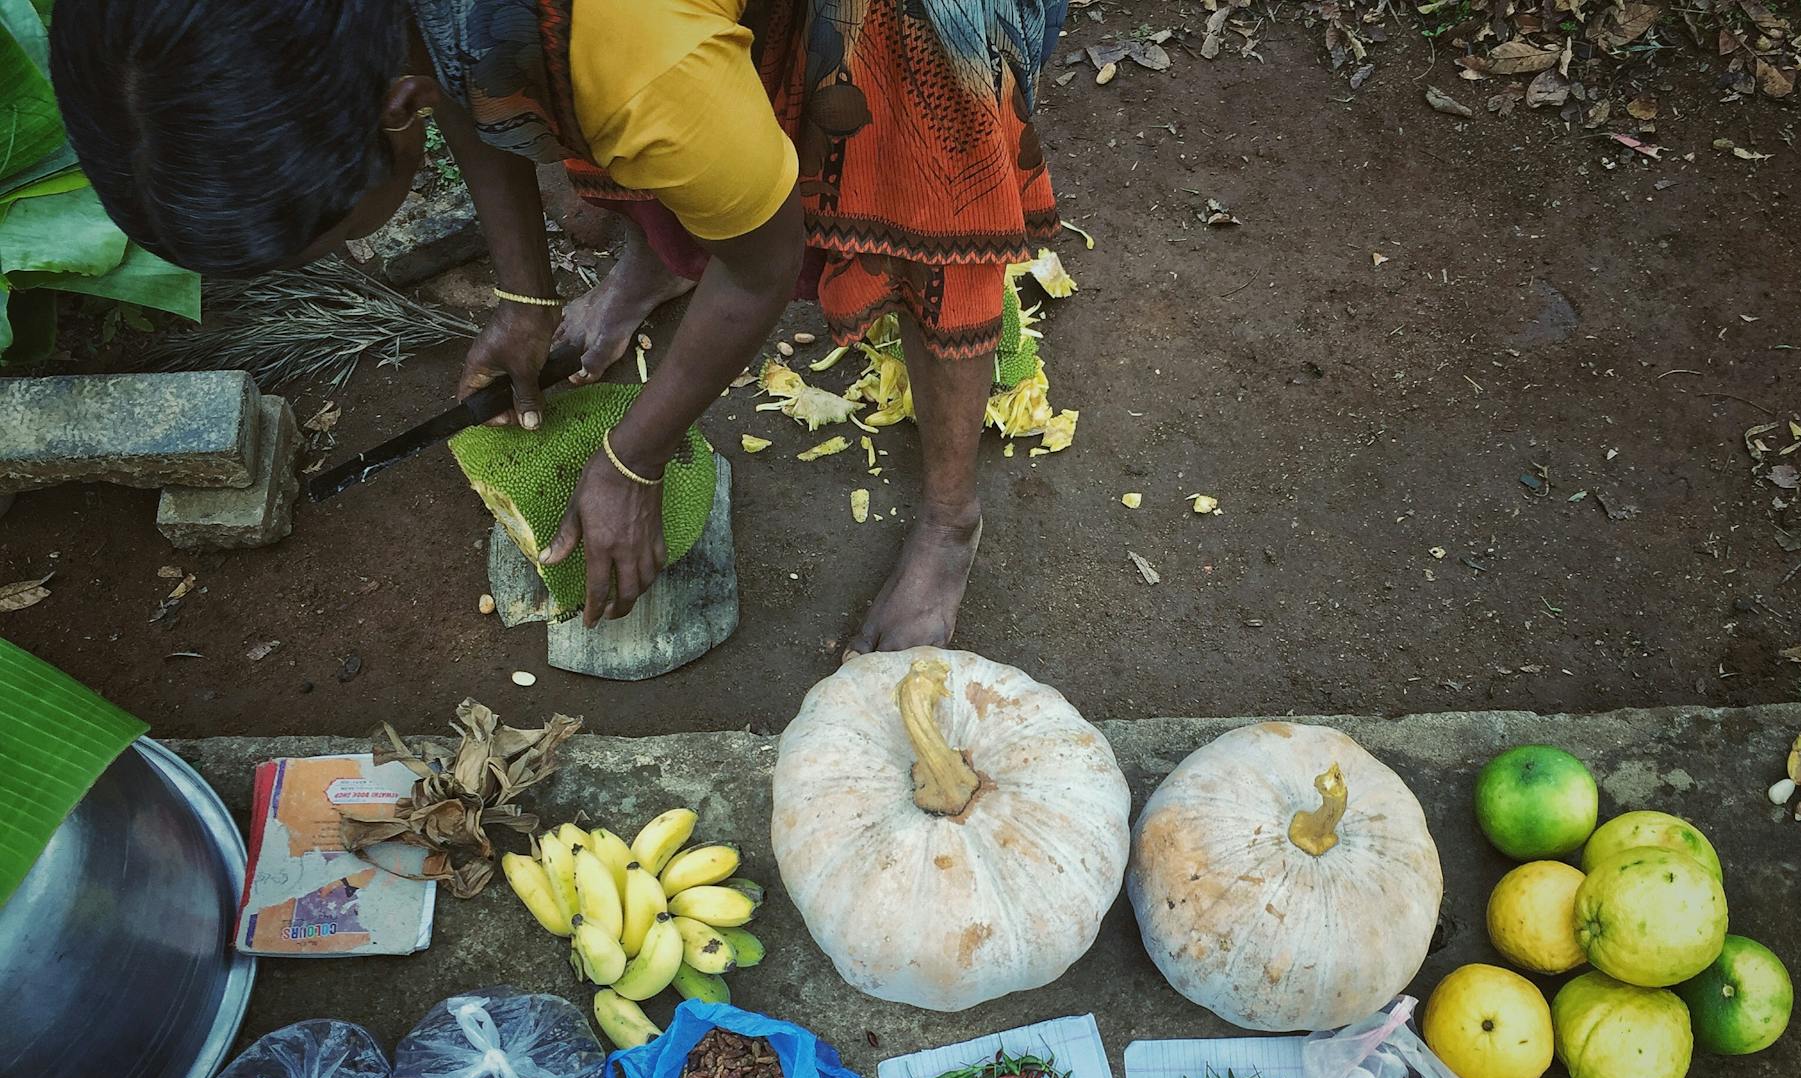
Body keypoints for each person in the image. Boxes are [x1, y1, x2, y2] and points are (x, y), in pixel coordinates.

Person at [50, 0, 1067, 647]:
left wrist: (631, 460)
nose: (341, 256)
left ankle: (949, 518)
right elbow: (442, 61)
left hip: (871, 29)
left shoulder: (641, 71)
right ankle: (653, 272)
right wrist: (525, 295)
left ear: (391, 113)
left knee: (931, 219)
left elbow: (762, 270)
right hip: (640, 50)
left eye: (325, 240)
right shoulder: (362, 35)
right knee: (653, 142)